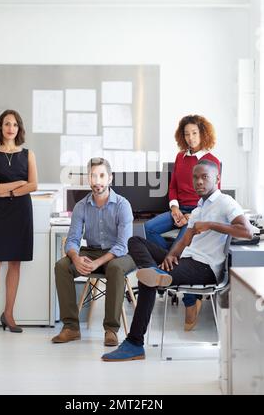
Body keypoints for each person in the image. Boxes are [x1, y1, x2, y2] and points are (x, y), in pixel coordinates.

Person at [102, 159, 253, 361]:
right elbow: (185, 240)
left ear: (217, 179)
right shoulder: (199, 208)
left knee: (147, 280)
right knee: (135, 240)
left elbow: (247, 231)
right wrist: (173, 254)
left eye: (204, 177)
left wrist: (211, 225)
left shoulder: (225, 202)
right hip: (187, 260)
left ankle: (135, 343)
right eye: (195, 177)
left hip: (204, 267)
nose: (199, 181)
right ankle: (155, 273)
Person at [144, 115, 220, 330]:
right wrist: (175, 208)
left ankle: (190, 302)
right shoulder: (180, 157)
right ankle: (168, 258)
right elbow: (174, 187)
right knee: (150, 228)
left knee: (182, 250)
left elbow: (211, 194)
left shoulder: (211, 161)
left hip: (197, 213)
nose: (190, 138)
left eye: (194, 133)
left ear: (202, 134)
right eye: (186, 134)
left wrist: (191, 216)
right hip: (179, 209)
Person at [52, 157, 136, 347]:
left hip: (120, 255)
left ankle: (111, 330)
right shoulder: (81, 206)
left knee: (114, 268)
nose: (97, 181)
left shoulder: (123, 205)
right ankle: (71, 328)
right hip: (91, 251)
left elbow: (123, 245)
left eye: (101, 175)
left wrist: (97, 263)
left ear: (110, 178)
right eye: (93, 176)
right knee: (61, 266)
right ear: (88, 178)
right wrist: (76, 257)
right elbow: (72, 239)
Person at [0, 110, 37, 336]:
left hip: (21, 213)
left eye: (15, 124)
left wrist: (7, 191)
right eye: (7, 123)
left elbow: (33, 185)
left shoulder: (28, 154)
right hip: (0, 214)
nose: (11, 128)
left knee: (15, 263)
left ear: (19, 128)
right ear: (0, 127)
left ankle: (9, 314)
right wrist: (18, 184)